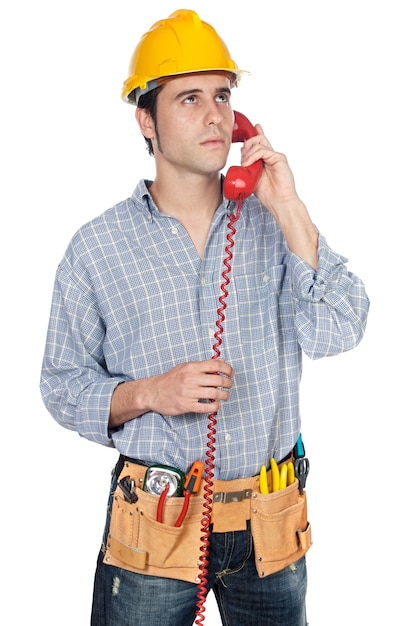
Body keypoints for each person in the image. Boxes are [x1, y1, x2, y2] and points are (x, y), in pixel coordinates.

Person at [40, 9, 369, 626]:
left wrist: (291, 208)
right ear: (146, 119)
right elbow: (61, 386)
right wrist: (152, 392)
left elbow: (341, 329)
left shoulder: (276, 223)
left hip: (268, 527)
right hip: (153, 528)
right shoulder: (96, 248)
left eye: (222, 95)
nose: (214, 113)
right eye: (189, 98)